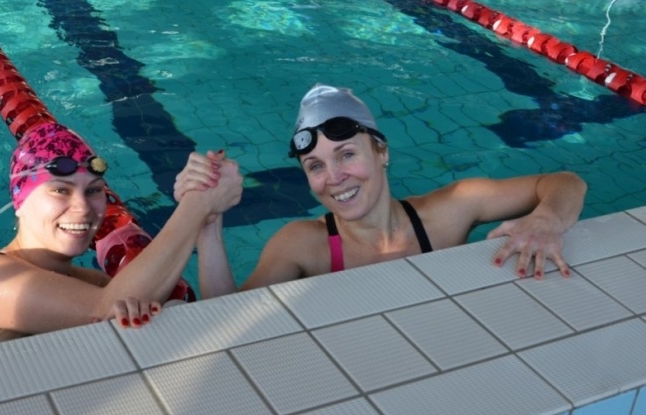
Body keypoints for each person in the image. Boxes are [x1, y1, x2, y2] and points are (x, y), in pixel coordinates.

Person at [175, 83, 587, 298]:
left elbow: (565, 182)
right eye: (315, 165)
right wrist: (206, 223)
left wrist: (546, 220)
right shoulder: (302, 245)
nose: (334, 177)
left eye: (346, 154)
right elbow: (225, 313)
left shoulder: (450, 210)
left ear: (382, 152)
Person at [0, 122, 242, 352]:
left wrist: (207, 224)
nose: (83, 207)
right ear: (20, 201)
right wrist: (198, 204)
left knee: (173, 313)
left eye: (94, 190)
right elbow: (101, 309)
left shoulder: (93, 283)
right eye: (60, 189)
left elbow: (224, 328)